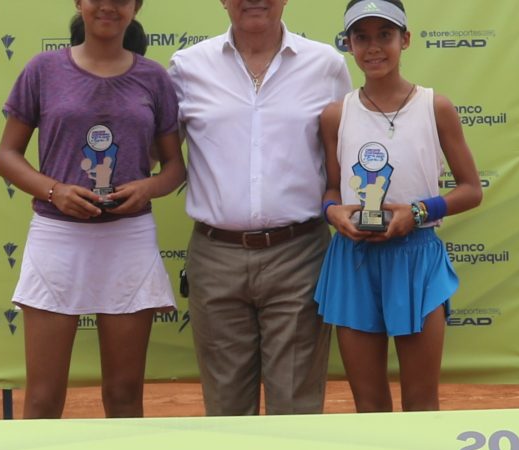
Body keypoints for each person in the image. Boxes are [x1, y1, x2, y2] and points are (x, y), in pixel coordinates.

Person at [0, 0, 186, 419]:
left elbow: (175, 166)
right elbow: (6, 156)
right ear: (79, 3)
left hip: (128, 238)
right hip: (57, 235)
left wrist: (148, 188)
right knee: (43, 398)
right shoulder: (43, 69)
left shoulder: (154, 77)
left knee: (124, 395)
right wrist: (54, 191)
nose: (108, 6)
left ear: (135, 7)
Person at [168, 0, 352, 416]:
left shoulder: (326, 64)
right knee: (226, 410)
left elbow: (348, 155)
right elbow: (155, 155)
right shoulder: (186, 67)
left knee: (297, 408)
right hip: (215, 258)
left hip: (299, 255)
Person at [315, 0, 482, 413]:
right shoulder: (335, 115)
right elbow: (332, 189)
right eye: (361, 37)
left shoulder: (435, 106)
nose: (373, 47)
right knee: (369, 405)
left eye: (385, 35)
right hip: (353, 259)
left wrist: (418, 212)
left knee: (421, 403)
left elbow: (471, 189)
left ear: (405, 39)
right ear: (348, 44)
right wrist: (332, 213)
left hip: (417, 258)